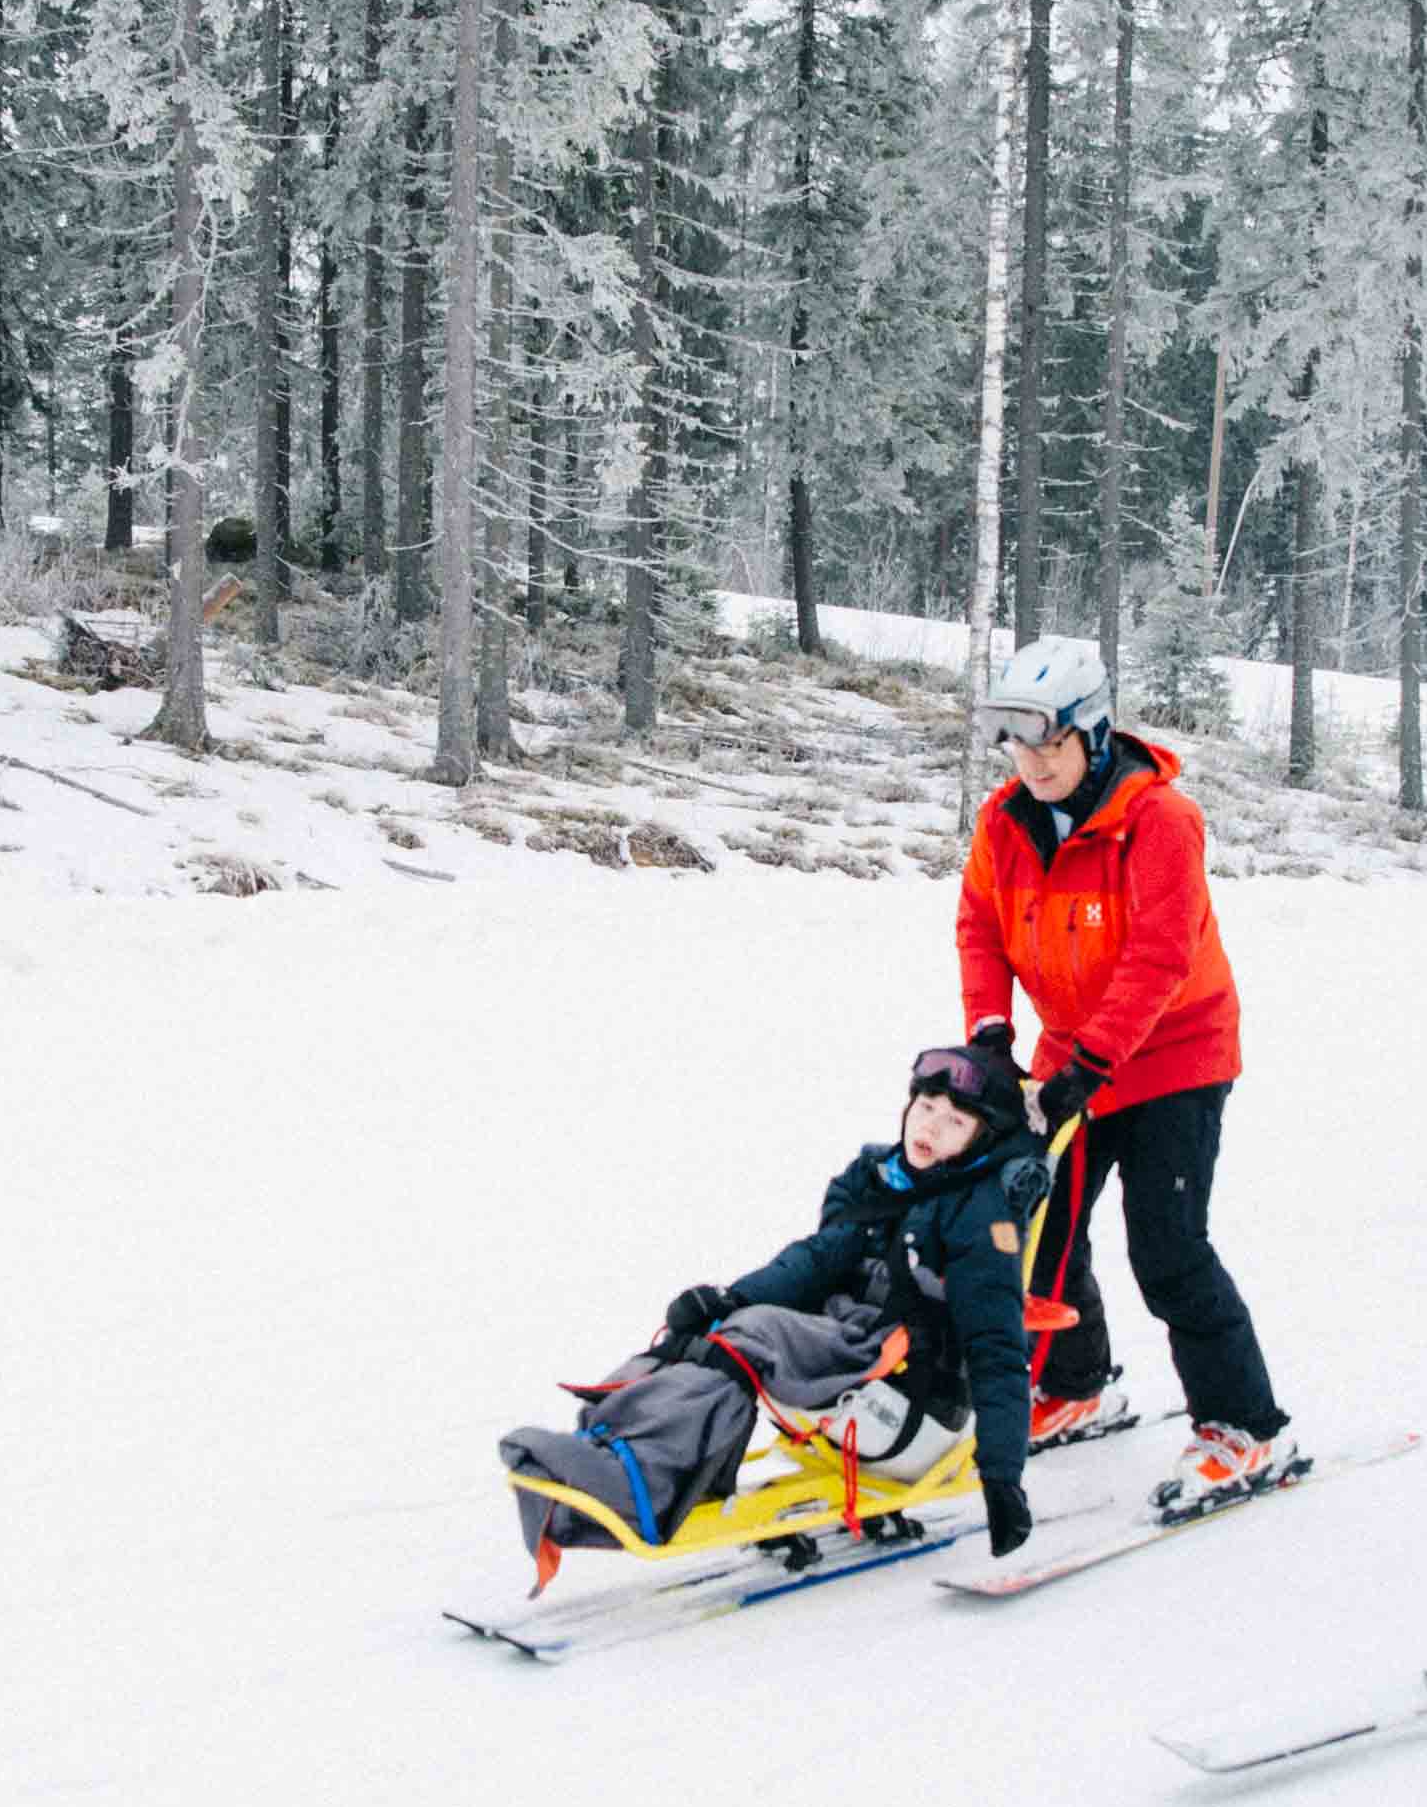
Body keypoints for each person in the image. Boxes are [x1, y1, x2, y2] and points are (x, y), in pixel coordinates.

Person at [952, 635, 1302, 1512]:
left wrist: (1092, 1064)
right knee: (1038, 1226)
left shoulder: (1161, 822)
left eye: (1050, 743)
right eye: (1018, 743)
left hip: (1176, 1055)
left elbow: (1159, 955)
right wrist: (992, 1032)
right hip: (1070, 1054)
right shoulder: (1003, 822)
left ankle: (1247, 1426)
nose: (1031, 762)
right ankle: (1077, 1383)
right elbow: (980, 929)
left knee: (1168, 1248)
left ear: (1094, 733)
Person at [526, 1037, 1056, 1564]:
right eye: (926, 1107)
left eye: (955, 1123)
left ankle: (637, 1484)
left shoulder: (981, 1217)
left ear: (982, 1139)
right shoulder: (880, 1178)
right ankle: (606, 1443)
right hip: (855, 1365)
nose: (930, 1128)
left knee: (754, 1336)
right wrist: (726, 1298)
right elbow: (814, 1260)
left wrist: (1003, 1476)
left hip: (913, 1404)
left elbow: (997, 1347)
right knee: (710, 1335)